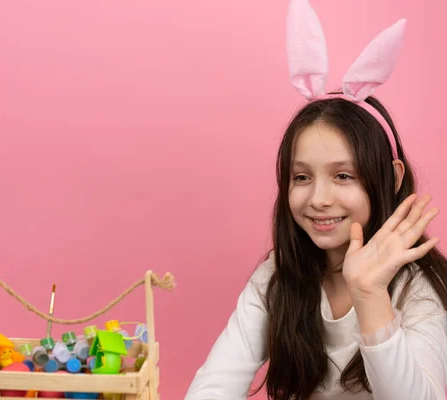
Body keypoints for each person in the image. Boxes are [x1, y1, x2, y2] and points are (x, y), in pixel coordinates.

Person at [184, 1, 447, 399]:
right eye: (302, 177)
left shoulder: (418, 287)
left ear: (389, 178)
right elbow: (215, 384)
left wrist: (370, 294)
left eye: (343, 176)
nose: (318, 199)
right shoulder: (279, 274)